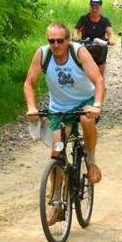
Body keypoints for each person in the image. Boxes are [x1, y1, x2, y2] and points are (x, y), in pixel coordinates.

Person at [24, 22, 105, 209]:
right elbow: (29, 83)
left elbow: (98, 80)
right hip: (60, 108)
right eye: (51, 41)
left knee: (86, 119)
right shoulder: (43, 54)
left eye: (60, 41)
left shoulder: (79, 52)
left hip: (85, 100)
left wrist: (97, 105)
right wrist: (32, 108)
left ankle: (91, 161)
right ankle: (57, 201)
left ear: (68, 40)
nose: (55, 45)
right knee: (56, 153)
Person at [73, 0, 115, 76]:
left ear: (101, 8)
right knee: (82, 69)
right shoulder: (84, 19)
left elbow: (110, 33)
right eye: (92, 7)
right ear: (90, 7)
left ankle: (101, 81)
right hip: (85, 46)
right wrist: (75, 36)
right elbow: (76, 29)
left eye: (97, 7)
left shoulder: (105, 20)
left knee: (100, 71)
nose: (94, 10)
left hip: (99, 47)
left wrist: (111, 39)